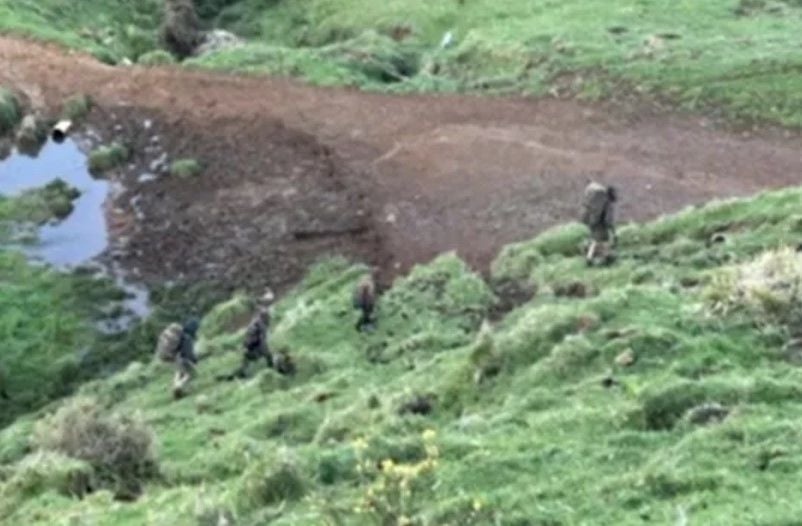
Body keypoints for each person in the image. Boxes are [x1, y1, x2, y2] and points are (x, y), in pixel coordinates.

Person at [219, 289, 275, 380]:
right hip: (254, 344)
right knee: (265, 356)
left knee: (247, 362)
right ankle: (271, 369)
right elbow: (262, 339)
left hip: (250, 343)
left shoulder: (257, 319)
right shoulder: (261, 323)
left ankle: (238, 374)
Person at [581, 182, 617, 266]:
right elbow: (608, 219)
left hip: (593, 221)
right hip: (600, 224)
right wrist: (613, 230)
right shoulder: (608, 203)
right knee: (600, 241)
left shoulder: (600, 200)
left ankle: (601, 256)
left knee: (597, 240)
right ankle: (593, 257)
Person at [165, 319, 199, 399]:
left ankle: (176, 387)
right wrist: (194, 360)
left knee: (178, 373)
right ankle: (178, 386)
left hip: (175, 358)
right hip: (183, 359)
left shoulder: (179, 335)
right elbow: (188, 352)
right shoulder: (187, 338)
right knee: (190, 374)